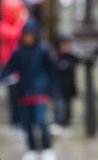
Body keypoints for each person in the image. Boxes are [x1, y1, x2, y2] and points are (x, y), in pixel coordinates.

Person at [1, 19, 57, 160]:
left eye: (31, 35)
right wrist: (7, 78)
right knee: (27, 123)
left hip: (40, 91)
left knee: (41, 120)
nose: (29, 38)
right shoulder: (18, 52)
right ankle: (31, 147)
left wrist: (51, 90)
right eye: (26, 35)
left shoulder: (44, 50)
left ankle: (46, 147)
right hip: (23, 92)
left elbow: (51, 71)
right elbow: (8, 69)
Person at [0, 0, 28, 138]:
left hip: (23, 65)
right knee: (13, 96)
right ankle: (16, 123)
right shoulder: (4, 26)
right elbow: (13, 35)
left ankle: (24, 123)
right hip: (9, 66)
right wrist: (21, 21)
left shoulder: (23, 23)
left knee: (23, 95)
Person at [52, 35, 79, 135]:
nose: (65, 47)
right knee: (59, 106)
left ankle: (67, 124)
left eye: (67, 45)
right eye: (63, 45)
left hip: (69, 87)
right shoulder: (54, 58)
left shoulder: (72, 57)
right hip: (58, 87)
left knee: (68, 107)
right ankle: (58, 123)